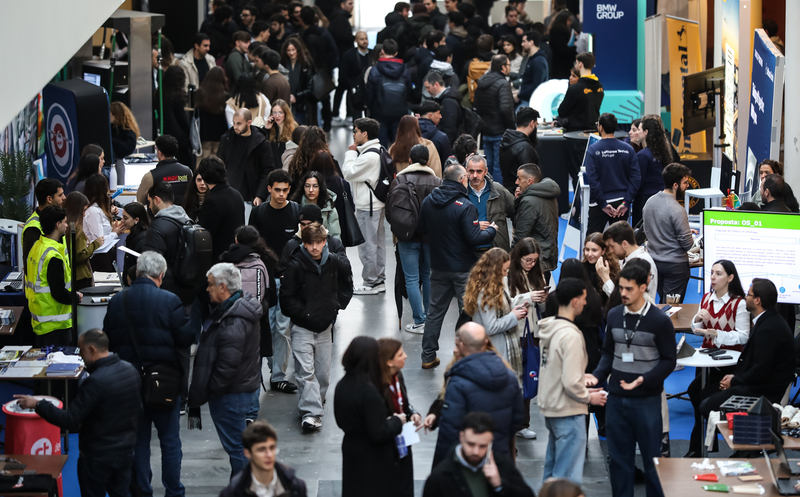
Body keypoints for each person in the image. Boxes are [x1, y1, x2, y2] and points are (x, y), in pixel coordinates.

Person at [103, 251, 194, 497]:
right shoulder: (169, 301)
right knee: (170, 441)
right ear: (161, 275)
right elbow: (185, 337)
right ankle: (174, 491)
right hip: (163, 383)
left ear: (137, 273)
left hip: (128, 384)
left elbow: (107, 342)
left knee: (139, 441)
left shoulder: (117, 302)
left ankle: (142, 490)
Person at [15, 330, 140, 497]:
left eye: (81, 350)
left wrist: (38, 404)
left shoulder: (95, 382)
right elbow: (138, 410)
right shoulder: (130, 370)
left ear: (92, 350)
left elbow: (69, 419)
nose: (80, 355)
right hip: (126, 453)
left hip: (97, 457)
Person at [587, 263, 676, 497]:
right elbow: (608, 353)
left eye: (629, 289)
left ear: (644, 287)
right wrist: (596, 376)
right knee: (619, 462)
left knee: (653, 463)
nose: (623, 293)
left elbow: (669, 361)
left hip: (646, 401)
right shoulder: (614, 314)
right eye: (621, 288)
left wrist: (644, 380)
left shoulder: (660, 321)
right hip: (616, 400)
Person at [417, 165, 497, 368]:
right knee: (468, 312)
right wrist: (491, 230)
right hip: (463, 269)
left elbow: (422, 229)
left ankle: (427, 357)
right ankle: (469, 355)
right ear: (462, 179)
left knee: (434, 312)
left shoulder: (429, 201)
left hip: (438, 266)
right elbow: (475, 240)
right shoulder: (465, 205)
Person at [189, 263, 263, 478]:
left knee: (237, 450)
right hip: (240, 390)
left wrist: (214, 389)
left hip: (231, 394)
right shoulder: (237, 310)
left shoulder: (233, 320)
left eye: (210, 285)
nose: (207, 289)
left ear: (223, 288)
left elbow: (228, 364)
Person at [281, 222, 353, 431]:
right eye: (309, 243)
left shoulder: (333, 263)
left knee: (322, 374)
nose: (314, 247)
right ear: (304, 243)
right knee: (305, 372)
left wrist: (334, 307)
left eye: (318, 243)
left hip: (324, 326)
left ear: (324, 242)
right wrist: (305, 314)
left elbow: (346, 278)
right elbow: (286, 298)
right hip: (302, 327)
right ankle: (311, 413)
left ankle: (314, 405)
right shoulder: (295, 265)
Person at [697, 278, 796, 425]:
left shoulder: (768, 329)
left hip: (761, 391)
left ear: (757, 300)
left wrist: (734, 380)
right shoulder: (769, 321)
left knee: (707, 406)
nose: (745, 298)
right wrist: (734, 377)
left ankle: (744, 443)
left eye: (748, 295)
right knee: (700, 393)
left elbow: (760, 371)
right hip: (756, 384)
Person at [538, 277, 606, 484]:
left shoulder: (550, 329)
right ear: (575, 301)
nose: (586, 303)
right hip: (568, 410)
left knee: (552, 472)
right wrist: (588, 397)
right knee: (567, 478)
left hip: (551, 406)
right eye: (584, 299)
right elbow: (569, 382)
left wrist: (579, 375)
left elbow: (554, 368)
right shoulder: (572, 335)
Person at [432, 322, 523, 467]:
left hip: (467, 463)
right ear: (486, 342)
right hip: (499, 460)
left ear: (461, 344)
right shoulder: (509, 376)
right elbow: (518, 419)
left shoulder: (458, 382)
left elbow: (449, 432)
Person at [685, 259, 749, 456]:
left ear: (730, 278)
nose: (712, 277)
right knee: (695, 393)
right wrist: (697, 321)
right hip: (706, 359)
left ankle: (708, 444)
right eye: (712, 273)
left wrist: (717, 334)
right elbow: (696, 330)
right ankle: (702, 445)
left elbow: (744, 336)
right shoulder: (706, 298)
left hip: (730, 363)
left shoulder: (739, 303)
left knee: (703, 396)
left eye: (718, 273)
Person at [334, 336, 406, 496]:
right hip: (373, 456)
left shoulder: (342, 384)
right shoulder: (369, 392)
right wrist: (396, 421)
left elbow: (339, 420)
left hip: (351, 449)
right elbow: (378, 432)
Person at [249, 169, 300, 394]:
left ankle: (278, 375)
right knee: (268, 327)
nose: (281, 194)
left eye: (285, 190)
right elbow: (252, 247)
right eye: (277, 190)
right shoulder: (258, 213)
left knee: (282, 329)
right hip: (264, 280)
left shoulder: (295, 211)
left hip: (288, 280)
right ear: (269, 189)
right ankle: (272, 369)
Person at [386, 144, 442, 334]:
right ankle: (429, 317)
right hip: (431, 236)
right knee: (427, 276)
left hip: (406, 236)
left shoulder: (400, 179)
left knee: (411, 278)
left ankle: (419, 320)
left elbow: (390, 211)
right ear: (427, 161)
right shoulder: (437, 181)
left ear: (410, 159)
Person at [424, 411, 534, 497]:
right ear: (461, 437)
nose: (476, 452)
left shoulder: (501, 465)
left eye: (482, 446)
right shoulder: (440, 477)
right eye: (471, 444)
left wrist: (500, 485)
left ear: (491, 441)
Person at [342, 118, 387, 295]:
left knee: (368, 245)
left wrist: (351, 153)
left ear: (364, 133)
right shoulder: (379, 149)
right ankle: (379, 279)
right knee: (378, 244)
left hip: (367, 206)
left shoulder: (368, 156)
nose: (353, 134)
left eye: (355, 131)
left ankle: (371, 282)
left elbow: (348, 173)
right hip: (377, 204)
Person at [464, 248, 528, 372]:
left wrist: (513, 310)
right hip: (496, 351)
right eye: (504, 270)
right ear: (495, 270)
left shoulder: (493, 286)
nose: (506, 274)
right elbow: (490, 327)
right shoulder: (486, 294)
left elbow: (500, 312)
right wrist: (513, 316)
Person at [25, 206, 77, 346]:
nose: (67, 225)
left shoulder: (37, 246)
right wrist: (76, 297)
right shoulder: (53, 256)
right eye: (65, 222)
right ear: (58, 224)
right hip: (56, 324)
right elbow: (58, 292)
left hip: (41, 321)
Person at [642, 163, 694, 303]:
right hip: (675, 266)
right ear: (675, 185)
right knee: (671, 308)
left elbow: (650, 229)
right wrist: (689, 234)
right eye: (685, 183)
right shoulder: (677, 209)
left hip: (654, 263)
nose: (688, 185)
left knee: (662, 303)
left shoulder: (649, 202)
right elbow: (688, 244)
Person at [377, 338, 422, 495]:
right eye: (400, 354)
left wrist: (412, 413)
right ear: (389, 362)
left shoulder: (398, 375)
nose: (406, 356)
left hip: (403, 437)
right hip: (387, 440)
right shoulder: (375, 386)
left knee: (405, 478)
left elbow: (404, 401)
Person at [218, 421, 308, 497]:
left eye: (272, 448)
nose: (269, 455)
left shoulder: (296, 487)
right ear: (247, 453)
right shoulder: (232, 492)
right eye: (261, 450)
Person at [584, 113, 639, 234]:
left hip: (598, 204)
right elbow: (635, 178)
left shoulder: (593, 150)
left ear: (600, 127)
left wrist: (603, 204)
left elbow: (592, 180)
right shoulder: (628, 149)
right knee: (619, 244)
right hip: (621, 203)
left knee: (593, 242)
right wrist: (626, 202)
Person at [557, 52, 603, 188]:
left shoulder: (575, 89)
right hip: (594, 134)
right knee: (593, 171)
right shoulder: (600, 87)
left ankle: (579, 207)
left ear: (580, 64)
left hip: (576, 135)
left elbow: (562, 111)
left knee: (577, 173)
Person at [144, 182, 195, 304]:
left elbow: (151, 265)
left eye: (150, 202)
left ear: (157, 200)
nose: (149, 207)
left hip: (166, 293)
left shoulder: (156, 227)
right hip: (190, 290)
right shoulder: (187, 221)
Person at [217, 108, 274, 217]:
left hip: (249, 198)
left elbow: (267, 170)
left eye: (239, 123)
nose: (235, 127)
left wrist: (260, 195)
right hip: (227, 195)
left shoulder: (260, 142)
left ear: (249, 123)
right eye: (233, 123)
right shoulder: (227, 139)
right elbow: (219, 165)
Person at [474, 55, 515, 184]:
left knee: (487, 166)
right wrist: (512, 127)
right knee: (499, 167)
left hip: (486, 131)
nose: (509, 68)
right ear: (503, 67)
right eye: (508, 65)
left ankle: (486, 194)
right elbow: (505, 109)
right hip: (500, 131)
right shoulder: (503, 84)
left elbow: (477, 106)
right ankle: (497, 197)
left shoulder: (481, 81)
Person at [512, 163, 559, 278]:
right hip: (547, 255)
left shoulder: (529, 201)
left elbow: (521, 234)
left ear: (529, 181)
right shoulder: (549, 194)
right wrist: (518, 200)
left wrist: (511, 259)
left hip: (532, 261)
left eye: (519, 178)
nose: (516, 182)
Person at [197, 156, 246, 262]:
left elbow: (205, 235)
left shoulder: (212, 201)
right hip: (237, 254)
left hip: (219, 259)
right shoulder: (237, 194)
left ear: (205, 177)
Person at [464, 155, 515, 252]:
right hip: (469, 253)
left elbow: (518, 213)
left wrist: (516, 244)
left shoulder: (499, 191)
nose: (475, 175)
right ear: (466, 171)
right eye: (471, 171)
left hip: (496, 253)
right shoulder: (461, 193)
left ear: (486, 171)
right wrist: (473, 226)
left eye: (479, 171)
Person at [366, 39, 412, 147]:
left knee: (381, 145)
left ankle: (383, 163)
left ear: (382, 51)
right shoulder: (404, 70)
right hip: (399, 112)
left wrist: (372, 111)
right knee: (398, 144)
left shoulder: (375, 70)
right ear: (396, 53)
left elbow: (369, 95)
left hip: (380, 113)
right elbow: (409, 92)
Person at [599, 221, 657, 302]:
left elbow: (625, 299)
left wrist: (605, 278)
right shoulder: (627, 259)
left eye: (612, 246)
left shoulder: (641, 263)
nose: (611, 251)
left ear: (624, 244)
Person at [632, 115, 672, 227]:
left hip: (644, 201)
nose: (636, 133)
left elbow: (638, 182)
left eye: (639, 130)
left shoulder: (643, 155)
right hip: (661, 199)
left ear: (646, 132)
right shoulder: (664, 151)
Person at [136, 135, 194, 205]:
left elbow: (140, 200)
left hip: (159, 215)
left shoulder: (151, 176)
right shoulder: (188, 172)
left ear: (160, 153)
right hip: (184, 214)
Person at [83, 174, 123, 272]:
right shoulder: (93, 212)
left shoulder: (97, 209)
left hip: (105, 255)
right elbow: (100, 241)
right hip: (99, 258)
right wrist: (115, 233)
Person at [63, 192, 101, 291]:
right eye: (83, 211)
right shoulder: (76, 228)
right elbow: (79, 255)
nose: (84, 214)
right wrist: (95, 244)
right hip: (80, 276)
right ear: (76, 210)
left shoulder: (63, 226)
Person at [23, 178, 65, 263]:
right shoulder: (33, 228)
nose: (64, 198)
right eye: (60, 195)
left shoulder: (56, 218)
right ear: (49, 199)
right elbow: (31, 263)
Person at [499, 107, 540, 193]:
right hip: (521, 194)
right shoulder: (525, 148)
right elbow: (529, 179)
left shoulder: (506, 140)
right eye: (536, 124)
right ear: (532, 123)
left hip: (508, 191)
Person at [195, 66, 229, 165]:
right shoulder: (225, 95)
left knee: (202, 161)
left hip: (204, 134)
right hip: (220, 134)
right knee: (217, 162)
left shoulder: (200, 93)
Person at [162, 66, 194, 168]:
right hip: (179, 137)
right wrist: (189, 132)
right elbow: (182, 118)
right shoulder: (176, 96)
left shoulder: (160, 93)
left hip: (165, 132)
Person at [292, 171, 341, 238]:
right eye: (307, 186)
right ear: (303, 188)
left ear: (320, 188)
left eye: (315, 186)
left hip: (322, 245)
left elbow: (335, 235)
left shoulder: (328, 208)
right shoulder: (295, 206)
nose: (311, 190)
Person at [422, 71, 463, 146]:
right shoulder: (442, 99)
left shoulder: (448, 102)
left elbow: (449, 129)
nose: (427, 90)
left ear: (436, 84)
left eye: (428, 87)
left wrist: (444, 148)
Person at [339, 31, 373, 120]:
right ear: (356, 40)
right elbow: (343, 75)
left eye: (366, 38)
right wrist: (352, 86)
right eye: (362, 39)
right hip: (355, 91)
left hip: (369, 90)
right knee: (356, 119)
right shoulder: (349, 55)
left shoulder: (372, 54)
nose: (365, 41)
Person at [281, 37, 314, 124]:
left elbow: (310, 87)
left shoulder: (305, 65)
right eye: (288, 50)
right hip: (285, 103)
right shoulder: (282, 64)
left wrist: (296, 96)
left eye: (293, 50)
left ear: (298, 50)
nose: (291, 53)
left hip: (300, 104)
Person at [580, 233, 619, 302]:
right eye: (587, 249)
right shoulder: (580, 267)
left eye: (594, 250)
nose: (589, 254)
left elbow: (616, 297)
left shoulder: (612, 269)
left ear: (603, 251)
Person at [517, 31, 548, 106]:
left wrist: (520, 94)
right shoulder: (532, 59)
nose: (522, 44)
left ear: (531, 42)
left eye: (524, 41)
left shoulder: (538, 61)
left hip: (530, 101)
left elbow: (536, 84)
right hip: (527, 99)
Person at [121, 202, 149, 285]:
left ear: (136, 220)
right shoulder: (134, 235)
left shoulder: (142, 239)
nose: (122, 220)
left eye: (125, 218)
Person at [417, 101, 453, 166]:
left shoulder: (407, 134)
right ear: (430, 115)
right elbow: (447, 163)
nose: (440, 116)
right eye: (438, 113)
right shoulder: (442, 137)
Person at [265, 99, 297, 169]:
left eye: (280, 113)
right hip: (273, 169)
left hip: (287, 169)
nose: (277, 116)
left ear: (285, 113)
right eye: (274, 113)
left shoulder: (294, 129)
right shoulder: (271, 129)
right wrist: (266, 129)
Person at [547, 10, 577, 80]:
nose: (570, 22)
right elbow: (562, 49)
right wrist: (574, 47)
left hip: (561, 63)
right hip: (561, 65)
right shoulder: (558, 32)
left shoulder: (557, 30)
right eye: (569, 20)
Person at [328, 0, 355, 72]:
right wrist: (354, 38)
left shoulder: (340, 17)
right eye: (350, 3)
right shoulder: (340, 18)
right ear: (342, 5)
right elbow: (341, 36)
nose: (352, 6)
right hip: (342, 54)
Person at [109, 102, 139, 166]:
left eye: (110, 112)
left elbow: (129, 148)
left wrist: (111, 141)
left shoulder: (128, 130)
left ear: (116, 115)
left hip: (119, 161)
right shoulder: (110, 127)